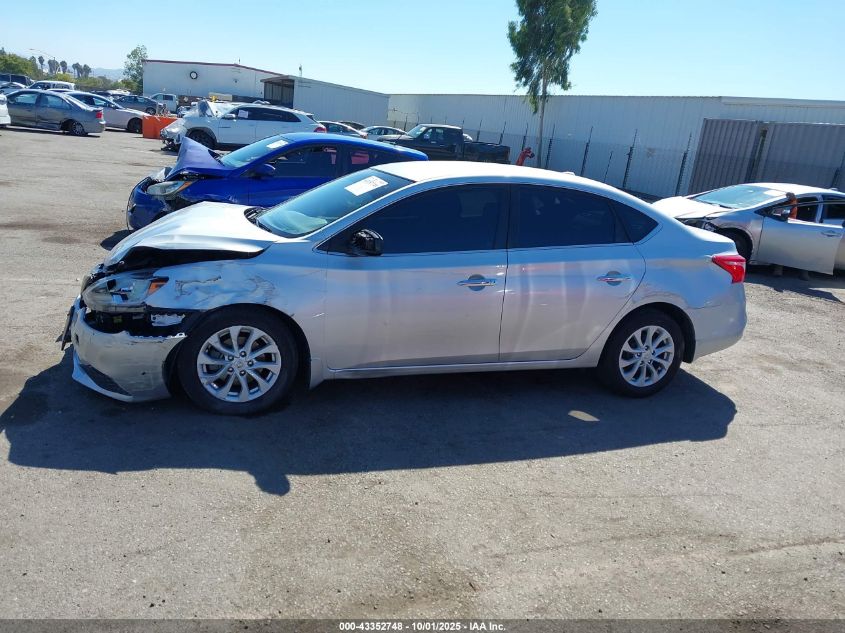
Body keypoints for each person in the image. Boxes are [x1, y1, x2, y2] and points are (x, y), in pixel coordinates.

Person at [773, 192, 810, 280]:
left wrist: (792, 199)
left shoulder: (792, 203)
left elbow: (778, 212)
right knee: (784, 249)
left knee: (804, 251)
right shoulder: (784, 201)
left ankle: (803, 273)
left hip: (794, 228)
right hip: (789, 227)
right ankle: (779, 269)